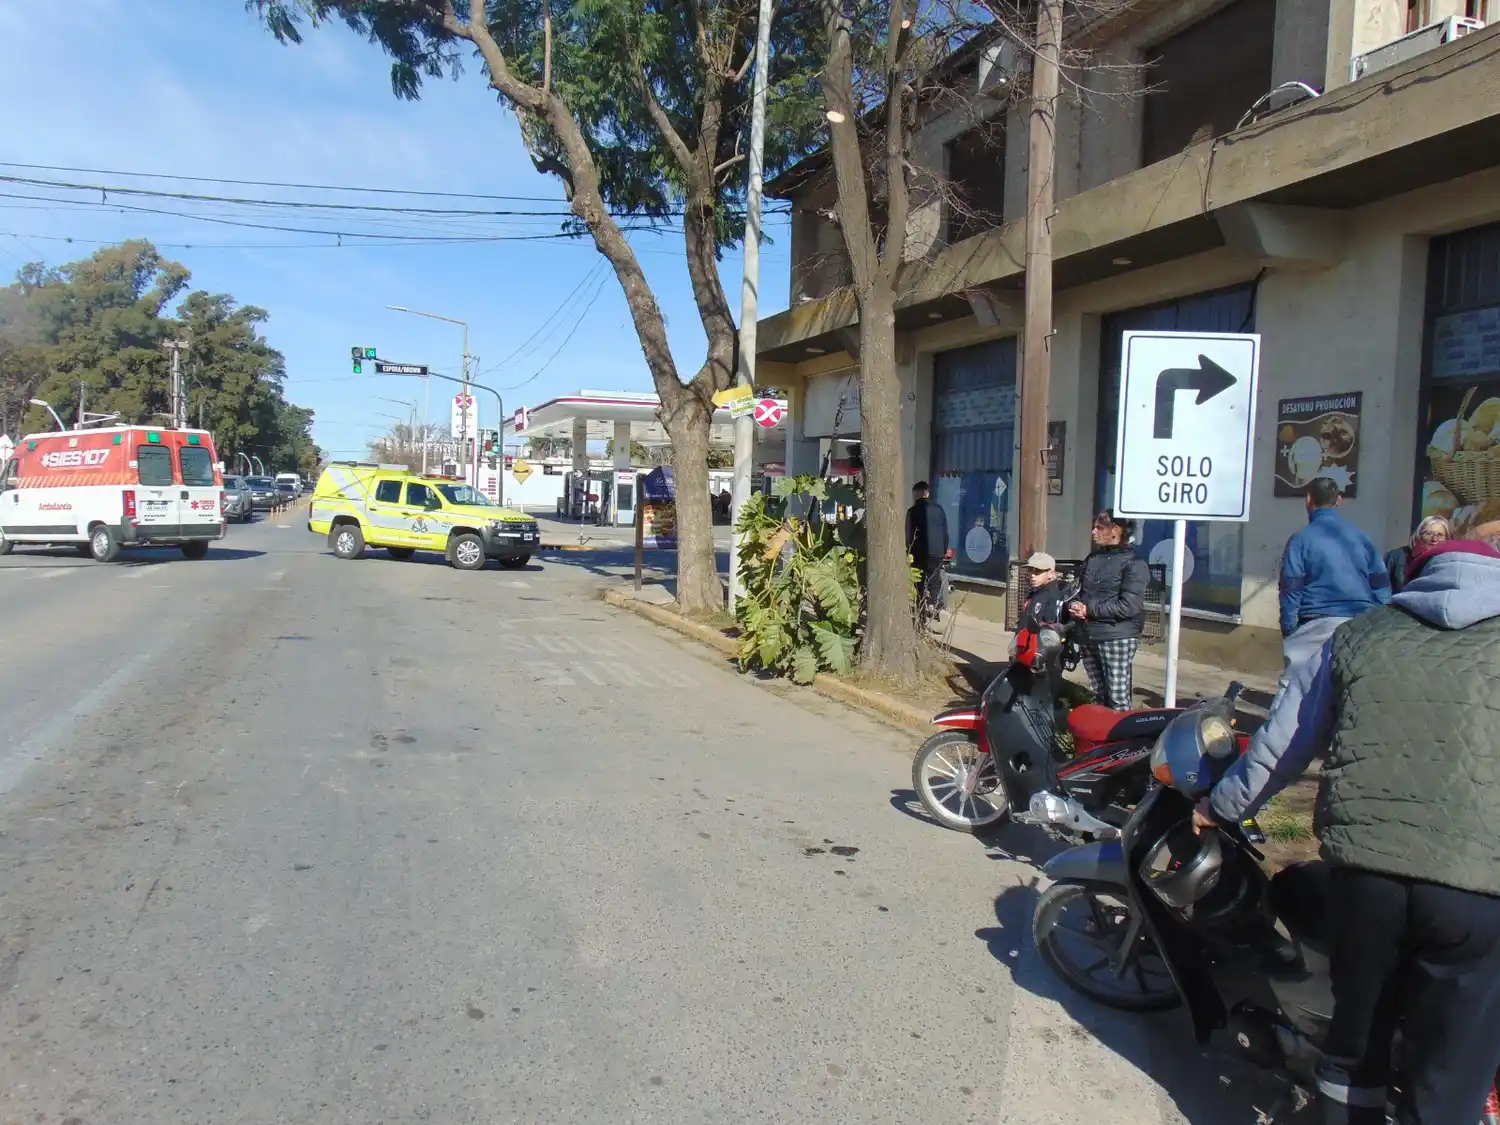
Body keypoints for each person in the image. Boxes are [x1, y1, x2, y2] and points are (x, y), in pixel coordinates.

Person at [1199, 538, 1500, 1125]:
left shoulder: (1359, 634)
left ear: (1414, 574)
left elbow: (1282, 746)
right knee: (1448, 1081)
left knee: (1354, 1054)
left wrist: (1220, 806)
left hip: (1369, 881)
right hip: (1479, 894)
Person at [1277, 477, 1389, 691]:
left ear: (1308, 499)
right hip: (1360, 624)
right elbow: (1381, 584)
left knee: (1294, 692)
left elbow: (1291, 587)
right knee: (1349, 693)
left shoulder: (1301, 540)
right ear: (1339, 500)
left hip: (1314, 623)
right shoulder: (1361, 537)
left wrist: (1290, 628)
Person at [1067, 510, 1148, 710]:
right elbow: (1078, 588)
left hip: (1117, 636)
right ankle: (1102, 738)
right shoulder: (1093, 558)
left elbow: (1129, 605)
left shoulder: (1134, 563)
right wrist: (1074, 604)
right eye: (1094, 527)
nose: (1093, 532)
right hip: (1089, 635)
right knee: (1100, 696)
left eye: (1099, 527)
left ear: (1116, 530)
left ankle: (1122, 738)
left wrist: (1089, 609)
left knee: (1118, 699)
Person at [906, 481, 950, 622]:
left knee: (918, 584)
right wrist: (942, 552)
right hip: (937, 553)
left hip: (919, 553)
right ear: (928, 493)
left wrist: (908, 552)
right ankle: (939, 610)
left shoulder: (912, 512)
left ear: (915, 494)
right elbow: (945, 534)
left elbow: (908, 535)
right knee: (934, 582)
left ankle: (921, 615)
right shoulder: (939, 510)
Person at [1384, 515, 1449, 594]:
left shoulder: (1447, 562)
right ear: (1418, 536)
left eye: (1440, 535)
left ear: (1447, 539)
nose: (1434, 539)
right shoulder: (1395, 556)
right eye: (1428, 533)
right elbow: (1381, 589)